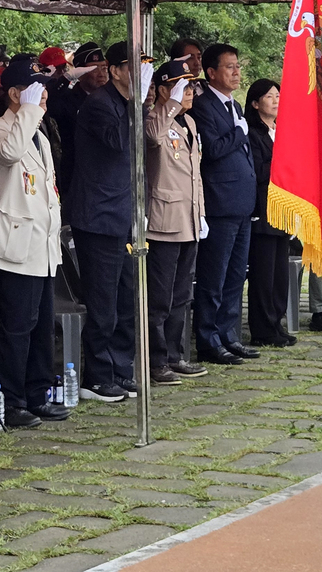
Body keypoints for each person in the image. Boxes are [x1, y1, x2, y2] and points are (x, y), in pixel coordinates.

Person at [0, 57, 70, 426]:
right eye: (34, 89)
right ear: (15, 94)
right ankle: (12, 399)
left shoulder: (38, 133)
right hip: (16, 245)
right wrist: (29, 109)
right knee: (17, 326)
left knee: (41, 325)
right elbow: (10, 153)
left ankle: (38, 393)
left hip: (43, 243)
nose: (43, 96)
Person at [67, 41, 144, 401]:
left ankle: (120, 368)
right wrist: (135, 107)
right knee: (103, 302)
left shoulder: (128, 104)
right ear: (115, 70)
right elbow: (117, 142)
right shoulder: (99, 104)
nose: (140, 73)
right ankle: (96, 376)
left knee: (127, 297)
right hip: (99, 215)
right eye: (133, 66)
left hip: (124, 212)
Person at [192, 43, 260, 365]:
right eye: (229, 67)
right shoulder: (203, 105)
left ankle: (228, 335)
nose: (236, 73)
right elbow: (212, 150)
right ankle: (208, 339)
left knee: (235, 276)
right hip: (220, 203)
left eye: (238, 66)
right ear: (211, 72)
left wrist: (238, 129)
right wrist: (239, 132)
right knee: (213, 277)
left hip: (242, 204)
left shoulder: (234, 105)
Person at [144, 58, 210, 382]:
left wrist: (201, 213)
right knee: (160, 296)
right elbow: (154, 138)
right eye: (181, 86)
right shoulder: (155, 118)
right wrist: (168, 102)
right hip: (164, 220)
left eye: (191, 86)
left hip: (189, 218)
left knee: (183, 293)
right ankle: (156, 361)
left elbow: (194, 175)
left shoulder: (190, 124)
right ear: (162, 89)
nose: (189, 93)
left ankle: (174, 354)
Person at [245, 78, 295, 347]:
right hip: (263, 210)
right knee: (263, 273)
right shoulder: (252, 134)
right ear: (255, 103)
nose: (276, 100)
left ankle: (276, 323)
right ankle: (262, 328)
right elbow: (258, 171)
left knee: (279, 273)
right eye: (269, 96)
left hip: (282, 208)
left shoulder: (282, 131)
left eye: (278, 95)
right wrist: (282, 163)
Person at [46, 43, 107, 194]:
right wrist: (66, 78)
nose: (101, 73)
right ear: (81, 72)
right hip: (76, 178)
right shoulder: (68, 98)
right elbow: (49, 103)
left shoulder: (111, 99)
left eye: (104, 67)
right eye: (94, 68)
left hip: (104, 176)